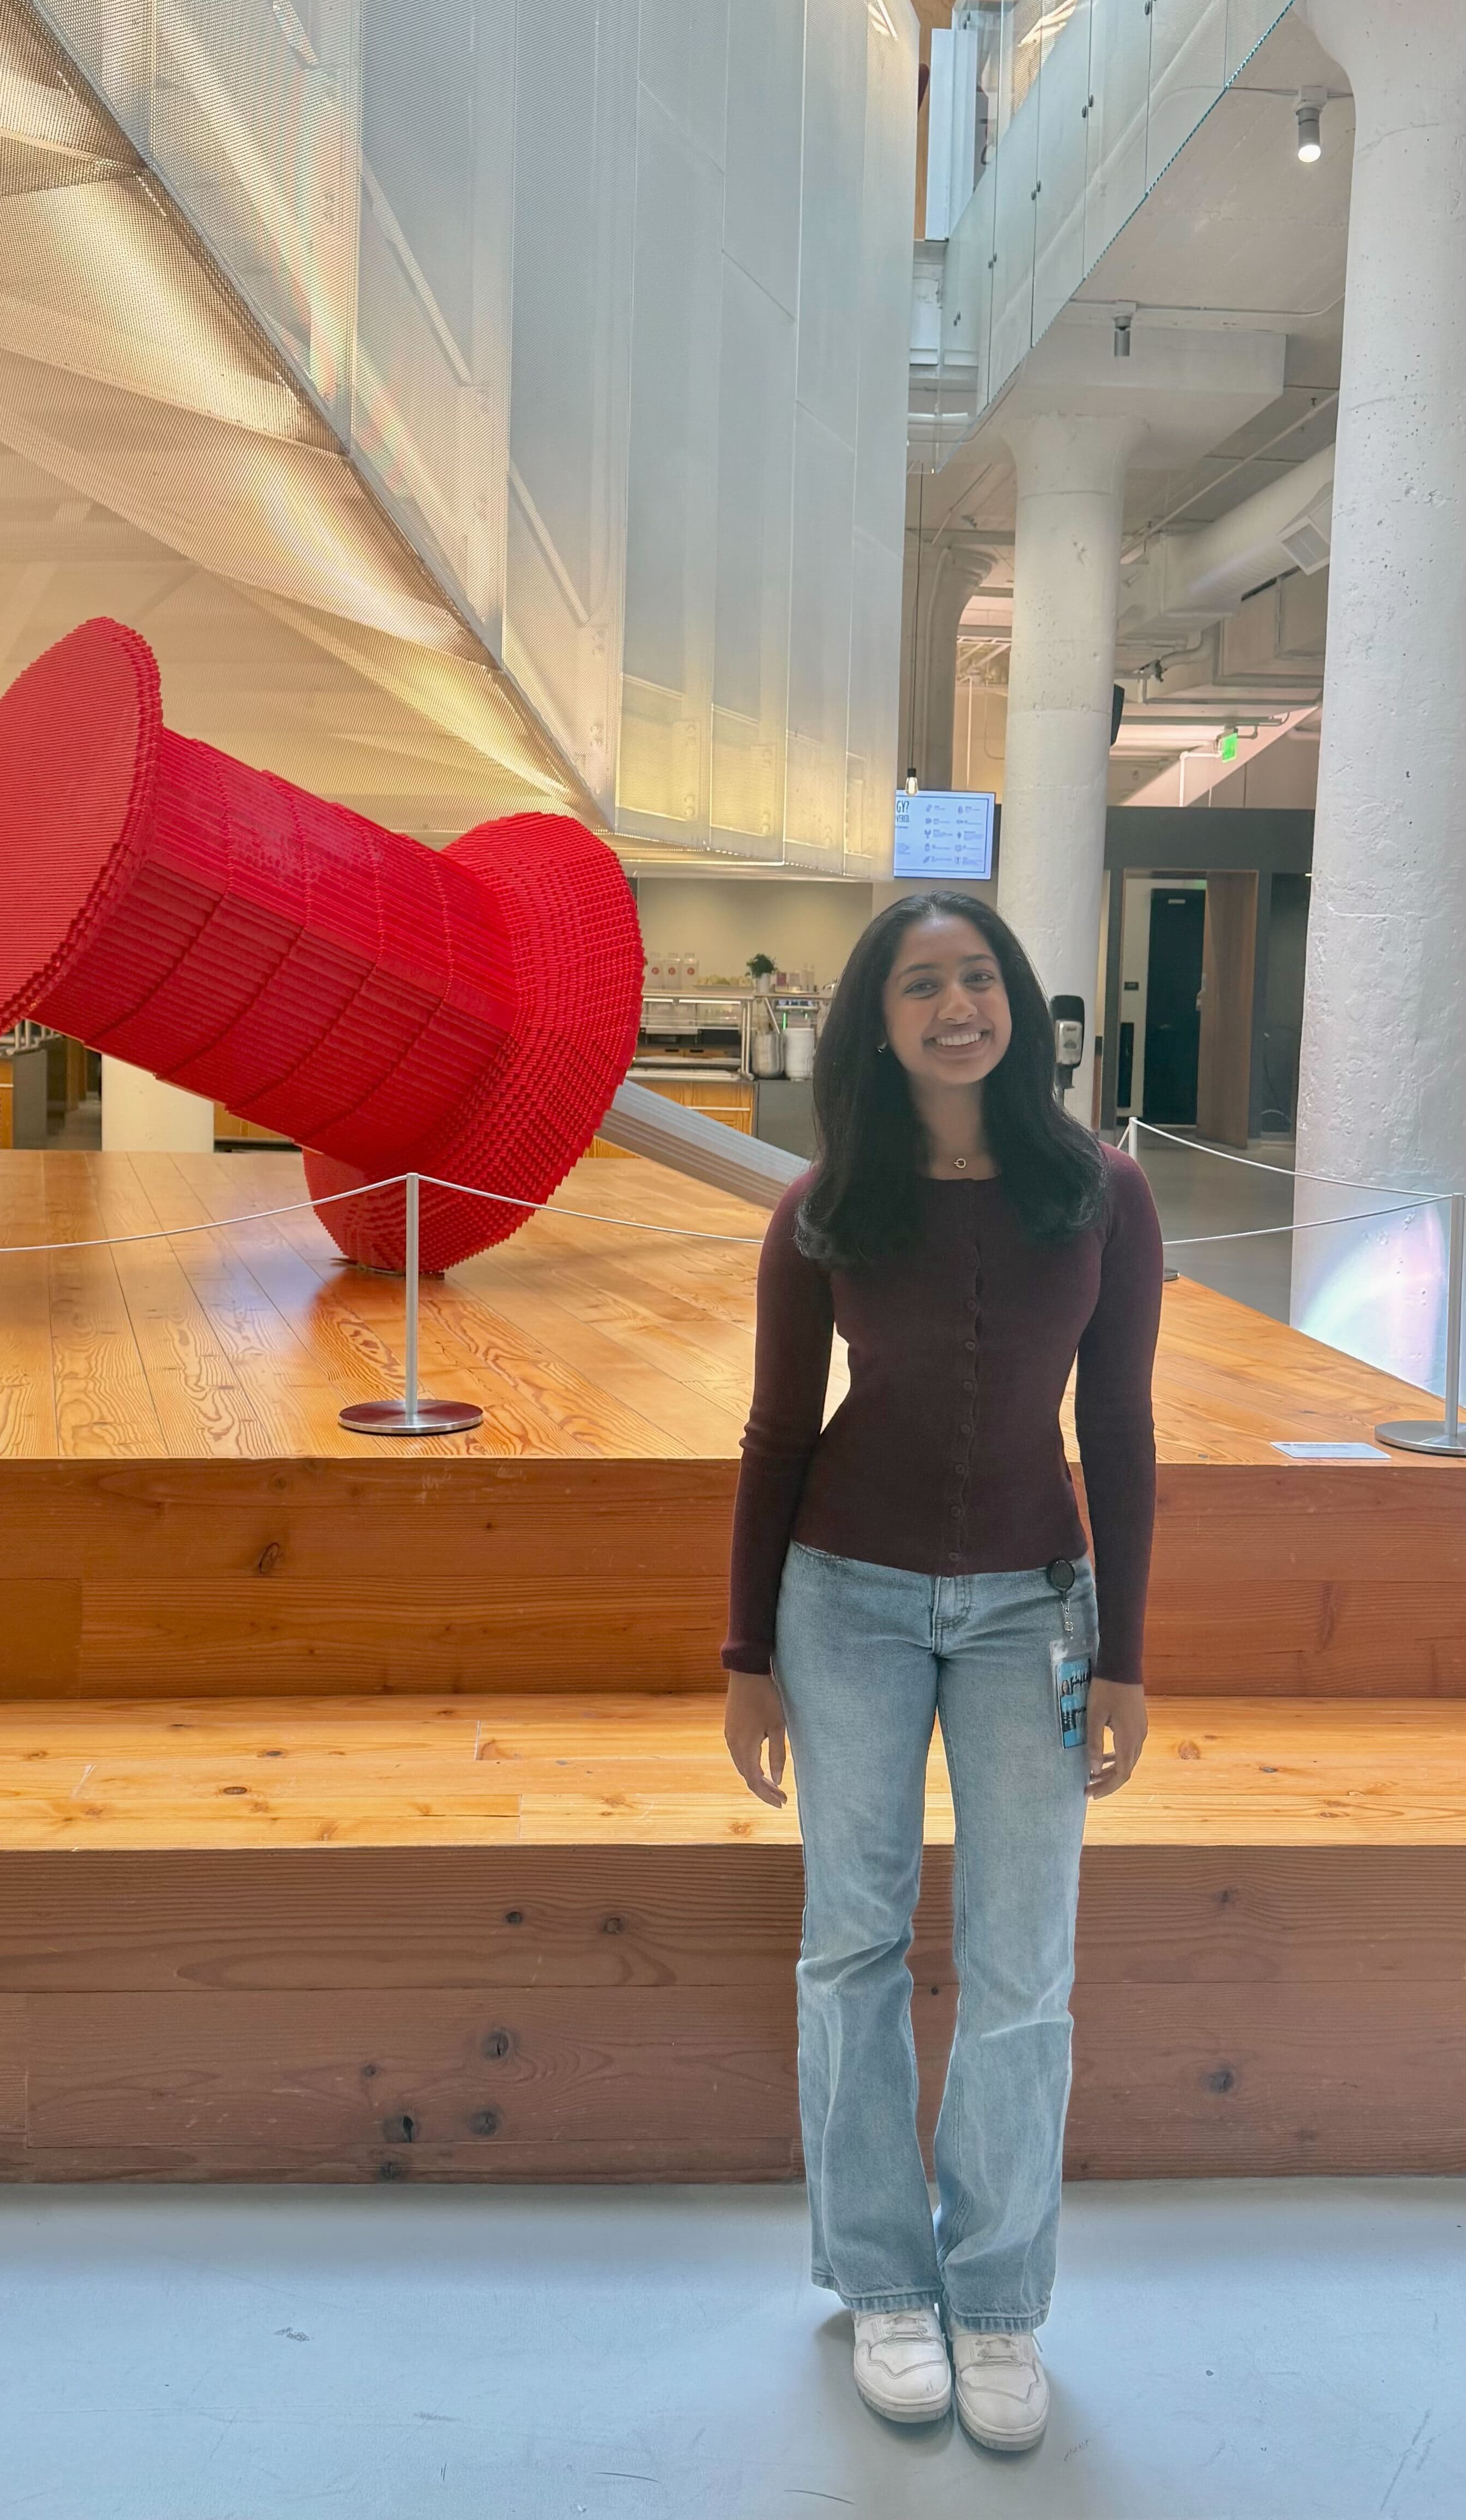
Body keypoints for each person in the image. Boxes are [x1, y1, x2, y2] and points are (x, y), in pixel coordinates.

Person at [723, 893, 1161, 2455]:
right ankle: (881, 2280)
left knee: (1023, 1957)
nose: (955, 1005)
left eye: (978, 977)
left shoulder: (1101, 1196)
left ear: (1018, 1006)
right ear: (878, 1019)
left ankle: (997, 2299)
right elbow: (778, 1433)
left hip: (1031, 1607)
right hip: (841, 1597)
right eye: (922, 985)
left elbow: (1117, 1430)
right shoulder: (826, 1205)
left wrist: (1122, 1657)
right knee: (850, 1941)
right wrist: (747, 1654)